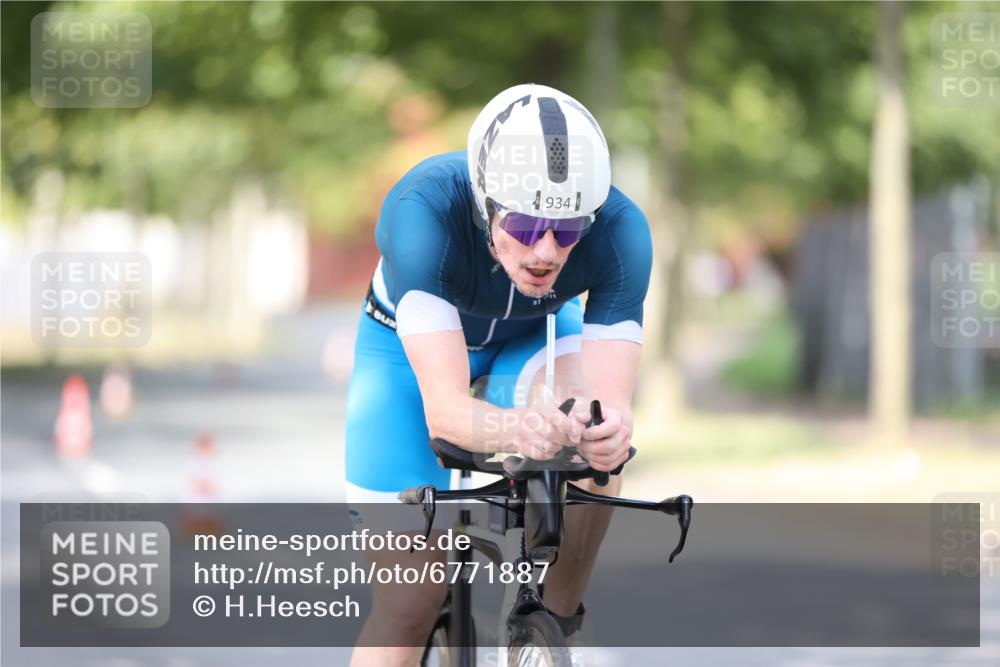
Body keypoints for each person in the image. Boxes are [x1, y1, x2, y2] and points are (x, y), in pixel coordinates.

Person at [344, 83, 652, 666]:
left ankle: (551, 624)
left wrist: (606, 430)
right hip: (405, 357)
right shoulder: (423, 210)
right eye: (527, 224)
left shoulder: (621, 231)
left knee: (588, 438)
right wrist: (515, 432)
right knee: (405, 613)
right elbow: (447, 412)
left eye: (567, 230)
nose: (546, 251)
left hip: (530, 339)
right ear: (486, 201)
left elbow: (612, 406)